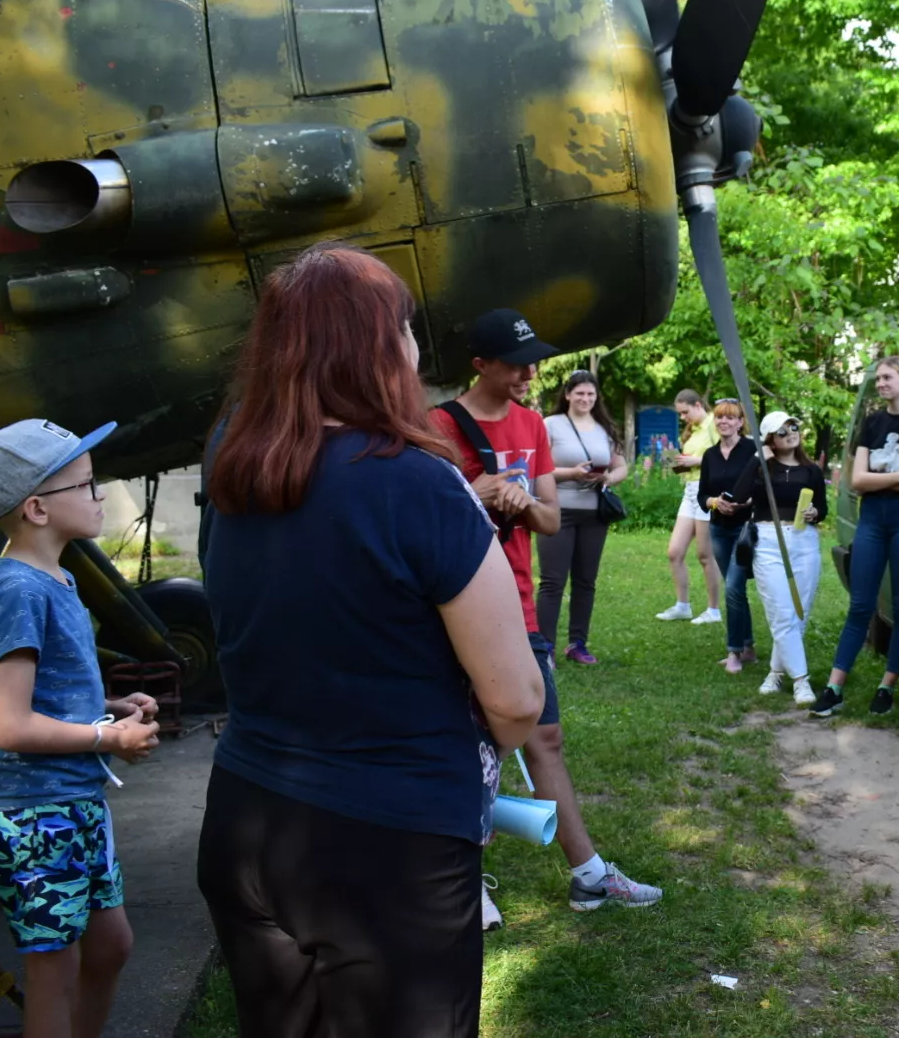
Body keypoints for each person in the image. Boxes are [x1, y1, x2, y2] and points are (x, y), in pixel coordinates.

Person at [197, 246, 545, 1038]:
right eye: (407, 328)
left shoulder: (234, 464)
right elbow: (516, 699)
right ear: (381, 347)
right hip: (389, 843)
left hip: (247, 818)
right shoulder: (415, 482)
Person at [430, 309, 663, 917]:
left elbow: (553, 519)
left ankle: (589, 877)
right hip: (453, 608)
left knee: (546, 735)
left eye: (533, 363)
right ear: (480, 365)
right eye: (515, 365)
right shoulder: (437, 425)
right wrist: (477, 492)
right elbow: (420, 517)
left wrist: (522, 501)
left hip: (518, 606)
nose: (529, 374)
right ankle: (464, 884)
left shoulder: (533, 423)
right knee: (457, 746)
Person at [0, 419, 161, 1038]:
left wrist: (111, 706)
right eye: (86, 484)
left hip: (74, 802)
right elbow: (10, 724)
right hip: (33, 815)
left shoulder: (56, 579)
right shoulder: (17, 592)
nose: (100, 495)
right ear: (38, 508)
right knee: (56, 969)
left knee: (110, 946)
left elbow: (45, 693)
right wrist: (108, 739)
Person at [814, 357, 899, 718]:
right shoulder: (872, 423)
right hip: (872, 520)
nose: (881, 383)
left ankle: (887, 686)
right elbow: (857, 480)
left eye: (887, 377)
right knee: (860, 604)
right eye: (878, 378)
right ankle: (834, 687)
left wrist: (880, 480)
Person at [730, 411, 828, 707]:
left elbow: (822, 509)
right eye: (782, 431)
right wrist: (757, 457)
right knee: (782, 612)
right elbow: (738, 496)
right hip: (769, 542)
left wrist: (815, 513)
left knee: (798, 614)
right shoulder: (762, 469)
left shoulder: (811, 470)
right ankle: (801, 680)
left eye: (793, 427)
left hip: (804, 543)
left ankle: (775, 672)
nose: (791, 433)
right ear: (771, 439)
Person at [536, 370, 629, 666]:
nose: (585, 399)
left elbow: (621, 466)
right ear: (567, 395)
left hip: (594, 513)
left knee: (586, 581)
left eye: (590, 394)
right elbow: (537, 468)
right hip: (557, 510)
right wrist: (571, 474)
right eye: (579, 393)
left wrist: (609, 478)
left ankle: (578, 643)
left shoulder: (604, 428)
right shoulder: (551, 424)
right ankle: (545, 647)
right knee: (552, 581)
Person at [698, 399, 760, 673]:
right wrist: (714, 502)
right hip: (718, 528)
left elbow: (762, 488)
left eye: (730, 417)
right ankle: (748, 648)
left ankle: (734, 652)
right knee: (736, 590)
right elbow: (702, 494)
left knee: (733, 587)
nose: (724, 422)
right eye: (719, 417)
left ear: (740, 422)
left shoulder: (752, 450)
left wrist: (744, 503)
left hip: (744, 528)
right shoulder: (710, 455)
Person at [656, 389, 723, 624]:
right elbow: (695, 463)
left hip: (709, 492)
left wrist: (697, 461)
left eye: (685, 412)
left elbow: (727, 457)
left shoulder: (715, 424)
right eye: (680, 414)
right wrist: (680, 463)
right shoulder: (693, 430)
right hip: (690, 492)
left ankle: (713, 610)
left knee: (705, 555)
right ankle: (682, 606)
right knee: (674, 552)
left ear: (698, 405)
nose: (683, 417)